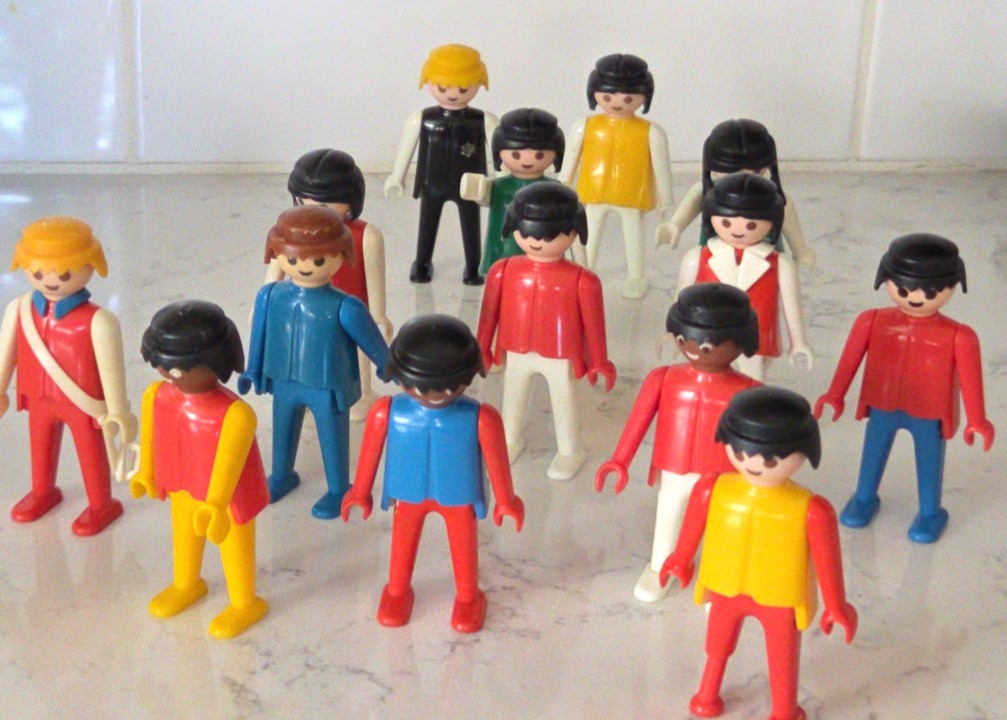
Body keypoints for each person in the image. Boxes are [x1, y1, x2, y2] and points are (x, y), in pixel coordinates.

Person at [662, 387, 857, 720]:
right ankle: (707, 694)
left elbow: (827, 560)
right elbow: (692, 527)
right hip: (726, 584)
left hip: (779, 595)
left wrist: (836, 605)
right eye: (741, 452)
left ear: (804, 453)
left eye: (769, 460)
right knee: (716, 645)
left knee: (782, 656)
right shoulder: (714, 488)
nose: (753, 464)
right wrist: (680, 559)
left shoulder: (810, 509)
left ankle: (783, 710)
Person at [342, 314, 524, 633]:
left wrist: (506, 500)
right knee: (401, 545)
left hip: (458, 495)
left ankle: (468, 597)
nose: (434, 395)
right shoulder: (388, 412)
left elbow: (497, 459)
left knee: (464, 546)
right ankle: (397, 591)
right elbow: (370, 451)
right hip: (408, 493)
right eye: (421, 386)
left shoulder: (481, 418)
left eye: (448, 386)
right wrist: (360, 491)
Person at [815, 233, 994, 543]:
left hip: (929, 412)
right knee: (872, 454)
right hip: (882, 404)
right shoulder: (871, 321)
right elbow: (850, 359)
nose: (915, 297)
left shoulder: (959, 336)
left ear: (953, 286)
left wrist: (977, 419)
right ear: (886, 280)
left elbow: (970, 378)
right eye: (903, 288)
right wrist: (835, 393)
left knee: (929, 463)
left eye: (931, 291)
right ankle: (864, 497)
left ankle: (930, 512)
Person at [596, 283, 760, 601]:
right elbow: (638, 419)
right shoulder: (663, 378)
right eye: (685, 340)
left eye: (707, 345)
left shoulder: (749, 391)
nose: (695, 349)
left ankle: (719, 581)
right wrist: (620, 459)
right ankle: (660, 567)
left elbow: (761, 440)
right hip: (674, 468)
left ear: (741, 342)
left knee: (722, 526)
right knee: (668, 514)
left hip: (724, 475)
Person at [240, 205, 389, 519]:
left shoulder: (345, 305)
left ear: (341, 255)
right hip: (283, 379)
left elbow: (371, 340)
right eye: (294, 259)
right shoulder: (269, 296)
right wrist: (252, 370)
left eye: (318, 260)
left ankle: (338, 487)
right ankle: (282, 475)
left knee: (332, 435)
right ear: (278, 254)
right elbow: (259, 334)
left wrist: (387, 364)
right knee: (282, 429)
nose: (304, 267)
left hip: (327, 385)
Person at [131, 300, 269, 638]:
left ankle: (244, 602)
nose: (170, 375)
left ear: (216, 362)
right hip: (182, 486)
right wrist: (146, 473)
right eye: (164, 367)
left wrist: (217, 503)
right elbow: (150, 436)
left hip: (228, 500)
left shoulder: (236, 414)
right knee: (184, 538)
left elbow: (231, 463)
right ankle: (186, 584)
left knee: (234, 547)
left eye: (179, 369)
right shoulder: (156, 396)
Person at [0, 216, 135, 536]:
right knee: (39, 447)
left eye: (64, 274)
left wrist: (118, 412)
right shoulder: (19, 310)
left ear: (91, 266)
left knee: (91, 453)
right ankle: (42, 492)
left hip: (83, 403)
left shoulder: (99, 321)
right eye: (38, 272)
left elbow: (111, 369)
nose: (50, 281)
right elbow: (6, 351)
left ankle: (101, 504)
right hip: (37, 396)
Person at [477, 183, 616, 480]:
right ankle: (509, 439)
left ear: (575, 232)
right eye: (527, 234)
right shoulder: (503, 270)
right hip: (515, 347)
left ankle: (569, 450)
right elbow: (488, 314)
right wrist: (482, 346)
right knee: (512, 396)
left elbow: (594, 324)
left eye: (549, 236)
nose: (537, 242)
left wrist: (599, 360)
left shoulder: (582, 280)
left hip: (560, 353)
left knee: (564, 400)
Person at [261, 148, 393, 421]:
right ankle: (310, 392)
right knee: (309, 350)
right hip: (309, 306)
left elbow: (374, 276)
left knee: (358, 353)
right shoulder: (292, 231)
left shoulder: (366, 236)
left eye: (322, 207)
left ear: (351, 203)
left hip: (354, 310)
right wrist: (263, 304)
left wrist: (378, 316)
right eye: (301, 202)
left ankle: (361, 394)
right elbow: (277, 268)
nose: (310, 212)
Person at [677, 172, 812, 381]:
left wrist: (799, 342)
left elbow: (791, 304)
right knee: (708, 380)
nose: (738, 231)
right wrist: (675, 329)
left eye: (751, 225)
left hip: (757, 337)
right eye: (727, 222)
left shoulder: (780, 264)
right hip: (708, 336)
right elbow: (681, 299)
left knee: (752, 383)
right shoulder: (697, 257)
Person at [560, 53, 673, 298]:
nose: (617, 103)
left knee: (634, 236)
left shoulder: (650, 131)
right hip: (593, 192)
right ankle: (583, 270)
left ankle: (636, 276)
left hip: (631, 194)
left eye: (628, 97)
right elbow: (570, 160)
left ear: (644, 96)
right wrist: (562, 187)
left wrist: (666, 201)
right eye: (608, 96)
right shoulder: (585, 126)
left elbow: (662, 167)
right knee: (588, 234)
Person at [384, 44, 498, 284]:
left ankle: (473, 266)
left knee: (471, 226)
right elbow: (407, 147)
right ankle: (422, 263)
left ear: (479, 83)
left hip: (470, 184)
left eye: (463, 88)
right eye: (443, 87)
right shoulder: (422, 119)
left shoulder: (483, 120)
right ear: (428, 80)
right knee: (427, 225)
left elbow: (500, 151)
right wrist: (397, 176)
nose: (452, 94)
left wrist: (500, 178)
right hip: (432, 182)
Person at [657, 118, 815, 268]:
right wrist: (674, 225)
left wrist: (800, 251)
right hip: (715, 256)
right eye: (730, 171)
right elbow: (689, 208)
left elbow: (787, 218)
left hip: (765, 257)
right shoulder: (706, 191)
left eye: (754, 170)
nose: (742, 177)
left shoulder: (772, 196)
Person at [459, 107, 565, 274]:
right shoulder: (499, 186)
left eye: (539, 155)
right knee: (503, 272)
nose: (527, 161)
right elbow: (484, 198)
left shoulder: (553, 189)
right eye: (516, 155)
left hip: (542, 245)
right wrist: (478, 191)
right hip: (503, 244)